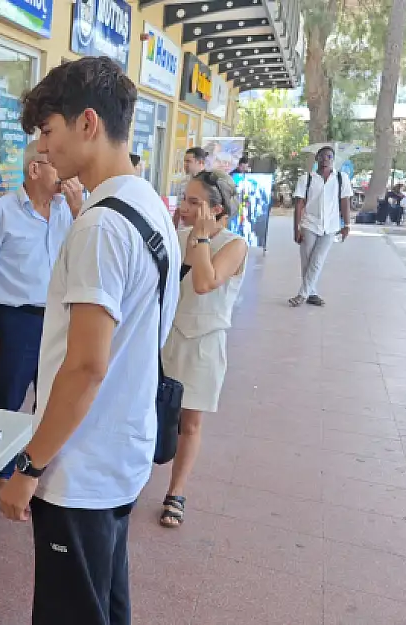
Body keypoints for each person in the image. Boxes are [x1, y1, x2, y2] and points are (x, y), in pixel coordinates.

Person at [0, 57, 180, 625]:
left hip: (81, 467)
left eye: (47, 132)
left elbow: (86, 366)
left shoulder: (100, 226)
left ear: (88, 123)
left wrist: (28, 468)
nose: (42, 150)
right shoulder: (149, 205)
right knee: (104, 601)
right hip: (121, 452)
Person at [0, 142, 80, 501]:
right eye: (56, 165)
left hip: (57, 318)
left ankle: (32, 467)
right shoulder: (0, 212)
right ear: (35, 170)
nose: (64, 174)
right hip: (16, 319)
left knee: (49, 398)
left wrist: (79, 211)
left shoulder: (68, 210)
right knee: (7, 401)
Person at [157, 170, 248, 529]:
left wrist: (202, 238)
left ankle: (175, 492)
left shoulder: (234, 244)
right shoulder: (174, 236)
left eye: (195, 202)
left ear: (217, 209)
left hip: (203, 342)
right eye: (185, 199)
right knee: (148, 410)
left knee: (189, 422)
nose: (184, 207)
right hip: (165, 339)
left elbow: (204, 282)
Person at [290, 146, 353, 307]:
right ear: (317, 158)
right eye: (323, 156)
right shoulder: (307, 178)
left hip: (330, 226)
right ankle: (312, 293)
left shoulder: (341, 178)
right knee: (307, 261)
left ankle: (302, 294)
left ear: (333, 159)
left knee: (317, 260)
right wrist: (296, 228)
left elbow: (345, 201)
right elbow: (299, 204)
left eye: (329, 156)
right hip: (309, 224)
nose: (326, 159)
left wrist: (346, 224)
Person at [172, 147, 208, 227]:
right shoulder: (183, 182)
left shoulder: (209, 182)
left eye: (188, 161)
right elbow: (178, 207)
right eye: (184, 161)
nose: (185, 165)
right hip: (183, 227)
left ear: (200, 162)